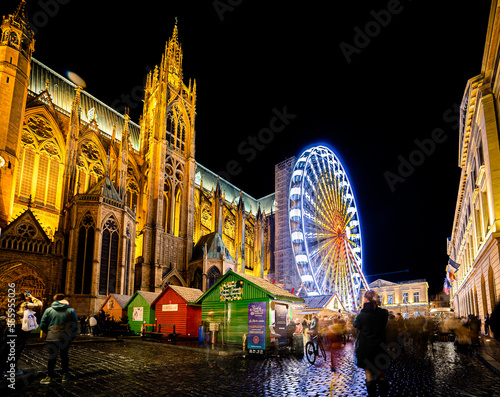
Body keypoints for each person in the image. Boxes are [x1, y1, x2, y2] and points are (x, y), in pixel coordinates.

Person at [354, 290, 389, 397]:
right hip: (380, 348)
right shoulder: (384, 313)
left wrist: (363, 310)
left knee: (369, 375)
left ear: (365, 300)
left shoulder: (361, 316)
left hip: (366, 349)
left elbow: (356, 325)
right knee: (381, 375)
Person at [39, 293, 78, 384]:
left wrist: (49, 332)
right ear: (64, 299)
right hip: (65, 337)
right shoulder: (71, 310)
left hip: (52, 336)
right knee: (64, 356)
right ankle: (64, 375)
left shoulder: (48, 310)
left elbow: (43, 324)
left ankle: (49, 376)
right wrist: (73, 335)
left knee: (52, 357)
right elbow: (75, 325)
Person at [1, 291, 42, 377]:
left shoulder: (7, 304)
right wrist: (31, 297)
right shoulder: (24, 304)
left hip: (9, 328)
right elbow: (39, 304)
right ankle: (11, 370)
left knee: (4, 349)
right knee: (16, 350)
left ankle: (1, 370)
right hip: (20, 328)